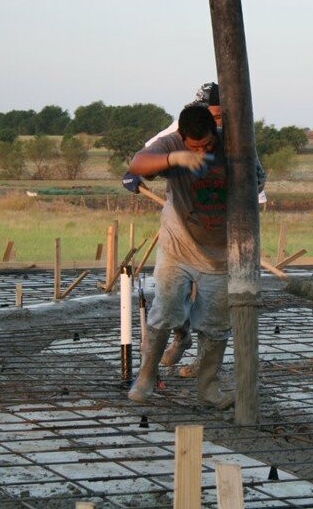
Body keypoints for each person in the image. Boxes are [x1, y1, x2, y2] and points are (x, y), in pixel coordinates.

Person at [126, 104, 236, 410]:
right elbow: (137, 164)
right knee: (165, 311)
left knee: (215, 324)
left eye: (207, 145)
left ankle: (208, 387)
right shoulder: (171, 144)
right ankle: (147, 376)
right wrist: (175, 159)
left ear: (216, 133)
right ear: (182, 137)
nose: (201, 152)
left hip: (220, 252)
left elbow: (256, 182)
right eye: (194, 147)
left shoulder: (235, 143)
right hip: (178, 246)